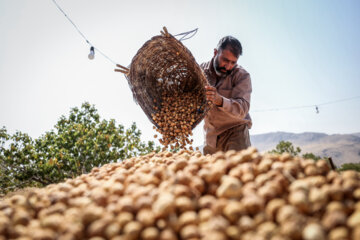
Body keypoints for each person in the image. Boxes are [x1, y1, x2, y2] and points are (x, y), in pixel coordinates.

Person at [200, 36, 252, 155]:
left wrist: (220, 100)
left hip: (236, 133)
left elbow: (243, 108)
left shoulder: (242, 76)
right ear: (215, 52)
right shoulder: (201, 71)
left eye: (233, 62)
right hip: (211, 135)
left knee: (238, 172)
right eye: (225, 60)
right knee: (210, 173)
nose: (228, 66)